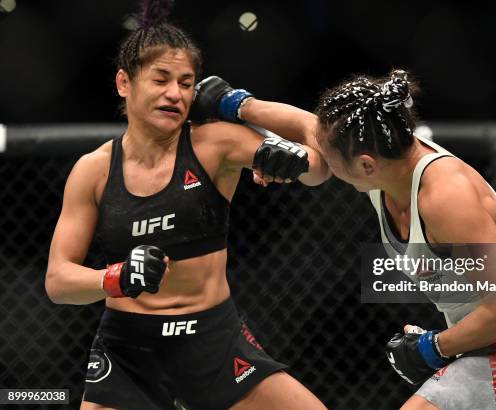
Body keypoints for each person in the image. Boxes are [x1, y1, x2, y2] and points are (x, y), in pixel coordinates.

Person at [192, 70, 496, 409]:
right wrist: (232, 102)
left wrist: (434, 347)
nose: (323, 163)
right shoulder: (382, 163)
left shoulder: (445, 198)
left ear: (365, 165)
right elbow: (307, 128)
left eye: (331, 161)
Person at [44, 2, 329, 409]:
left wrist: (241, 105)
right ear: (124, 82)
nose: (174, 93)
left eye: (186, 82)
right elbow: (58, 282)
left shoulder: (215, 144)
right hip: (130, 353)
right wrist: (116, 277)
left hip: (213, 342)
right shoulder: (94, 170)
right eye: (161, 79)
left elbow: (319, 165)